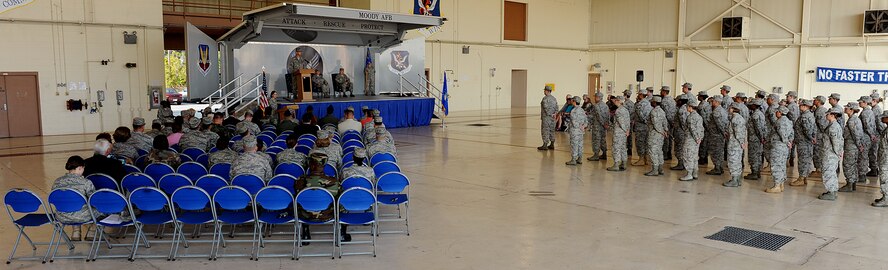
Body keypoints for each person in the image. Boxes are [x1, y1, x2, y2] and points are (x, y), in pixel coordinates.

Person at [294, 153, 344, 243]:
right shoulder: (334, 182)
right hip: (327, 214)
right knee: (342, 202)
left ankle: (305, 233)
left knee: (301, 202)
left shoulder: (300, 180)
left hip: (304, 214)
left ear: (310, 164)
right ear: (324, 165)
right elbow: (340, 199)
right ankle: (342, 234)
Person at [52, 155, 101, 241]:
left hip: (62, 216)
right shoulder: (85, 182)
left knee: (71, 204)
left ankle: (76, 232)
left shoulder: (57, 182)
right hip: (82, 216)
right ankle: (92, 232)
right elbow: (94, 200)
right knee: (101, 208)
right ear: (80, 168)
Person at [765, 106, 794, 193]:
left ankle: (777, 186)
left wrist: (786, 141)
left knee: (776, 165)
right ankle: (781, 184)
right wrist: (789, 142)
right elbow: (792, 133)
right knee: (782, 165)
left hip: (778, 146)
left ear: (780, 112)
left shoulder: (779, 121)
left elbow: (782, 133)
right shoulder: (789, 122)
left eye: (777, 111)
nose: (775, 113)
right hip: (784, 147)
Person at [839, 102, 867, 193]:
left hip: (851, 146)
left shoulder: (852, 121)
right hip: (853, 146)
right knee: (853, 165)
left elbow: (856, 135)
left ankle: (849, 184)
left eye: (847, 108)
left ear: (852, 110)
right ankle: (853, 183)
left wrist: (859, 145)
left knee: (848, 165)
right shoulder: (854, 119)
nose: (845, 109)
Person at [789, 99, 818, 187]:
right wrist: (813, 137)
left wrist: (811, 138)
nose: (799, 106)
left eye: (801, 105)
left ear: (805, 106)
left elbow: (807, 130)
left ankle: (801, 178)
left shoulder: (805, 116)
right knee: (806, 160)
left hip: (804, 142)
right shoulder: (809, 115)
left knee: (803, 160)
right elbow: (814, 128)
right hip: (806, 141)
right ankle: (804, 178)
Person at [819, 107, 844, 200]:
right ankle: (832, 190)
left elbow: (835, 142)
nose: (826, 115)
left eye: (828, 114)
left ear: (833, 115)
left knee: (828, 172)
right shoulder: (833, 125)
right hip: (830, 153)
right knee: (831, 172)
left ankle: (831, 192)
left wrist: (838, 152)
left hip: (830, 154)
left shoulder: (833, 127)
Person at [723, 103, 747, 187]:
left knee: (733, 161)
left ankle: (734, 180)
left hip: (735, 144)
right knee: (737, 161)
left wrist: (741, 142)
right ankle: (737, 180)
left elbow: (738, 133)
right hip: (736, 143)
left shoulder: (736, 119)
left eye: (730, 108)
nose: (729, 109)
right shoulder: (738, 118)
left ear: (733, 109)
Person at [680, 98, 704, 181]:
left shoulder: (690, 117)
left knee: (688, 156)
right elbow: (701, 129)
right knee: (694, 156)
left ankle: (689, 174)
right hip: (697, 140)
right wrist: (700, 138)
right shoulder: (699, 116)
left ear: (690, 107)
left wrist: (696, 138)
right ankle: (695, 173)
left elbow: (692, 129)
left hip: (690, 139)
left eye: (687, 106)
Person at [706, 95, 729, 175]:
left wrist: (723, 133)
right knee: (720, 151)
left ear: (716, 102)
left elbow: (719, 124)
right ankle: (719, 167)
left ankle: (717, 168)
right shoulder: (723, 110)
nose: (712, 103)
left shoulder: (716, 112)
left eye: (713, 101)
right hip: (719, 135)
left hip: (716, 135)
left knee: (715, 152)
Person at [645, 96, 667, 176]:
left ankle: (655, 170)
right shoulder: (662, 111)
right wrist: (665, 131)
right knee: (659, 151)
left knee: (653, 151)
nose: (651, 103)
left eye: (652, 102)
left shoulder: (654, 112)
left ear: (654, 102)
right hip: (661, 135)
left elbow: (656, 124)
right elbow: (665, 122)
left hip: (655, 134)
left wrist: (661, 131)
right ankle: (660, 169)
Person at [608, 96, 630, 171]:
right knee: (623, 147)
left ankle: (616, 165)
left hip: (619, 132)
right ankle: (623, 163)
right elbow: (628, 122)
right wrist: (627, 131)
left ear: (619, 101)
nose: (615, 102)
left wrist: (625, 130)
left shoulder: (618, 111)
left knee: (616, 148)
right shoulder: (625, 110)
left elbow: (621, 122)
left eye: (616, 100)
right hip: (624, 133)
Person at [632, 88, 652, 166]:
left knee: (640, 143)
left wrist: (644, 121)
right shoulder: (648, 103)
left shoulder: (639, 104)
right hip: (647, 127)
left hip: (640, 126)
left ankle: (641, 159)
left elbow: (640, 116)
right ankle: (646, 159)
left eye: (638, 94)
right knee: (646, 143)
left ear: (641, 95)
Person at [860, 96, 878, 181]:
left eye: (861, 102)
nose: (860, 103)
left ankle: (862, 175)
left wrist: (871, 135)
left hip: (866, 137)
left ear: (865, 103)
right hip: (868, 136)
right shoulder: (869, 111)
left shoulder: (865, 113)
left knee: (863, 156)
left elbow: (867, 125)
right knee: (865, 156)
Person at [587, 92, 609, 160]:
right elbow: (608, 116)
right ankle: (604, 154)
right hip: (604, 126)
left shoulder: (596, 106)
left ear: (598, 97)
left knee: (596, 140)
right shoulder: (605, 105)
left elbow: (598, 116)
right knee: (603, 140)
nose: (594, 98)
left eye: (595, 97)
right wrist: (606, 124)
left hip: (597, 126)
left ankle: (596, 155)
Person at [566, 96, 587, 165]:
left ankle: (573, 159)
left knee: (574, 145)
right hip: (581, 131)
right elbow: (586, 121)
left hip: (575, 131)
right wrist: (583, 126)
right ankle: (580, 158)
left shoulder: (573, 111)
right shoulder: (582, 110)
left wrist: (579, 127)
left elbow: (574, 123)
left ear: (574, 101)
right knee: (580, 145)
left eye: (572, 100)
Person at [671, 95, 689, 171]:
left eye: (677, 101)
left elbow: (683, 122)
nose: (676, 102)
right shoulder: (686, 108)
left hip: (680, 132)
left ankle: (681, 164)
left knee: (679, 148)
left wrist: (684, 131)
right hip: (682, 131)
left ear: (680, 101)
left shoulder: (681, 110)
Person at [874, 111, 888, 206]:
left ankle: (886, 199)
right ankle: (885, 197)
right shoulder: (886, 129)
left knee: (885, 178)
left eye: (884, 117)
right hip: (884, 158)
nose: (881, 119)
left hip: (886, 160)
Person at [659, 86, 677, 161]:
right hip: (672, 121)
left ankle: (665, 154)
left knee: (665, 138)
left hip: (667, 122)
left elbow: (666, 113)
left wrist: (670, 122)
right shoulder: (672, 100)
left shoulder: (664, 101)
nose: (660, 92)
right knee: (670, 138)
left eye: (661, 91)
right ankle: (669, 153)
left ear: (664, 92)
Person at [870, 92, 885, 177]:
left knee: (873, 152)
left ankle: (874, 169)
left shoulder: (876, 110)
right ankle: (873, 169)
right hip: (875, 134)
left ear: (875, 100)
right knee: (872, 152)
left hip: (876, 134)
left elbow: (879, 123)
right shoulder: (874, 109)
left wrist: (881, 133)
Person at [812, 96, 829, 173]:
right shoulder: (819, 109)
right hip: (819, 135)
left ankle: (819, 170)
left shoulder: (820, 111)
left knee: (818, 152)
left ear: (818, 101)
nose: (813, 100)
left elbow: (822, 124)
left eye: (815, 100)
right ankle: (818, 169)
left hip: (819, 135)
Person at [539, 85, 558, 150]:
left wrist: (550, 114)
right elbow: (557, 107)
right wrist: (554, 114)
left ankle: (545, 145)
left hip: (546, 118)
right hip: (553, 118)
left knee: (545, 130)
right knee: (552, 130)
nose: (544, 91)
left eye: (544, 90)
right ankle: (552, 144)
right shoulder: (554, 98)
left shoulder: (545, 99)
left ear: (547, 91)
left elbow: (545, 108)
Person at [696, 91, 712, 166]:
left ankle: (702, 158)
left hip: (703, 126)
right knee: (706, 142)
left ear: (702, 97)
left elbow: (703, 117)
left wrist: (705, 126)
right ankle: (705, 157)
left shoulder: (701, 106)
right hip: (707, 126)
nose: (698, 97)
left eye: (699, 96)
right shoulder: (707, 104)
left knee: (703, 143)